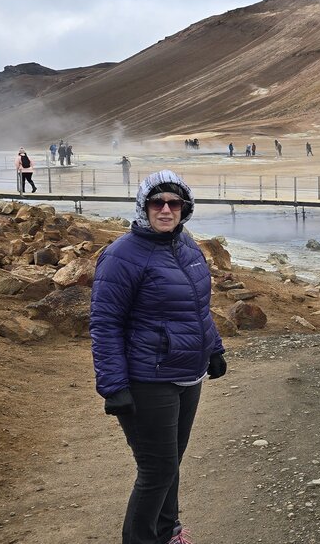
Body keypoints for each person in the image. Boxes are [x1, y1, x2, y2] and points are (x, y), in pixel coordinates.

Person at [91, 170, 226, 544]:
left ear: (185, 208)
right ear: (143, 206)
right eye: (157, 202)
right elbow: (105, 324)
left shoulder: (187, 245)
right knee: (156, 470)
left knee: (171, 463)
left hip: (188, 373)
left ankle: (168, 533)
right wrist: (113, 386)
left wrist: (214, 348)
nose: (166, 210)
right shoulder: (121, 256)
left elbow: (197, 308)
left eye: (174, 203)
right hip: (147, 378)